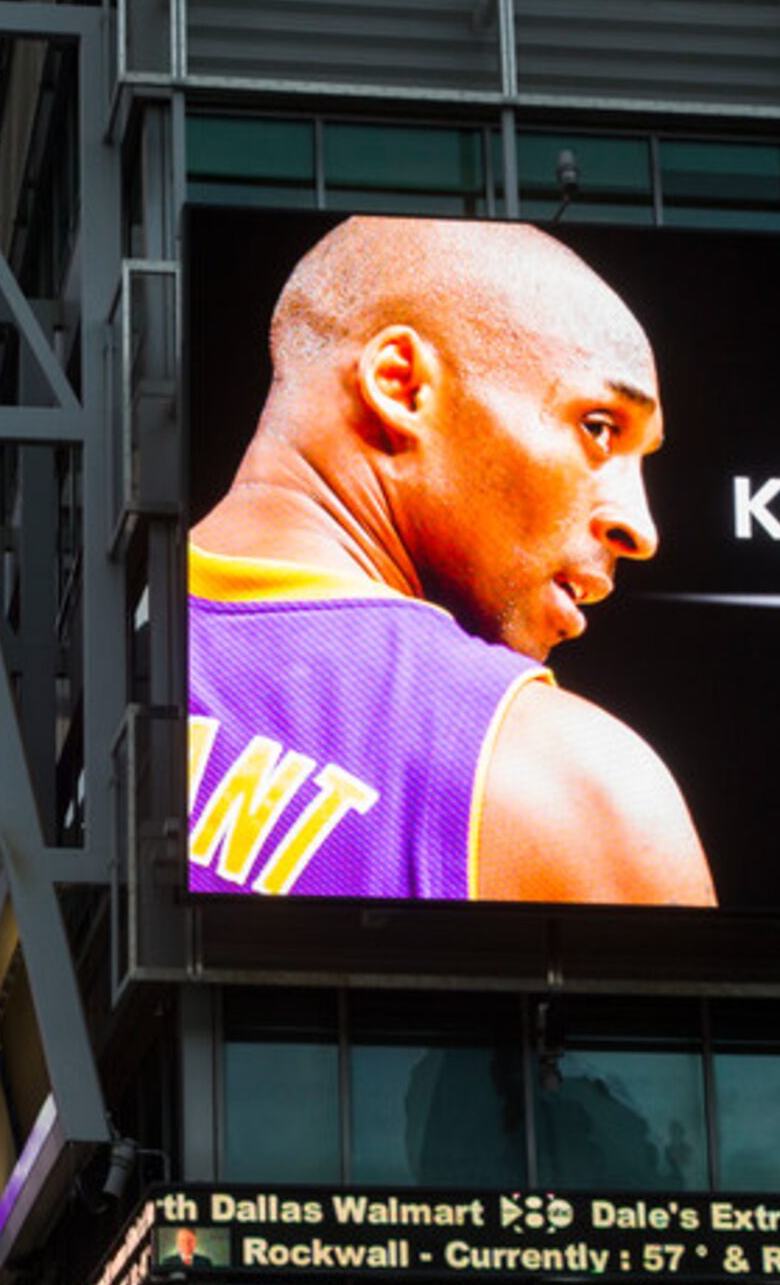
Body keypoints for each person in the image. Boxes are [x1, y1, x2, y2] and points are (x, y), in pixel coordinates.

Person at [186, 214, 715, 907]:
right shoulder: (569, 789)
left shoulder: (46, 664)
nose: (640, 528)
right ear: (402, 385)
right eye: (598, 427)